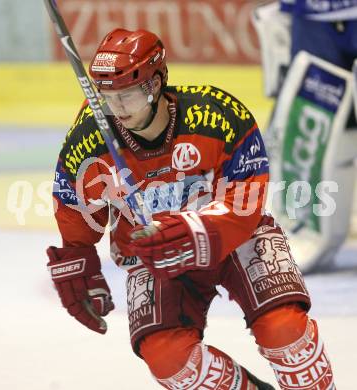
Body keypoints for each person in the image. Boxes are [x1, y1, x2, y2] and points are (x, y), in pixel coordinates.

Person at [46, 28, 336, 389]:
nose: (118, 109)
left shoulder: (217, 115)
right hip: (152, 250)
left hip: (236, 238)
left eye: (128, 95)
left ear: (154, 85)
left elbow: (248, 201)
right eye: (108, 97)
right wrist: (77, 258)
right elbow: (74, 210)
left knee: (287, 332)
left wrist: (192, 230)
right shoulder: (87, 142)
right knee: (169, 360)